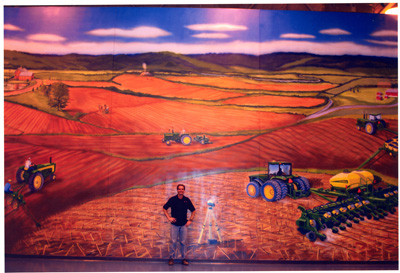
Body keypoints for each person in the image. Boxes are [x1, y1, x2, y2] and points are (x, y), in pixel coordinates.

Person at [163, 184, 196, 266]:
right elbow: (164, 208)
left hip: (184, 225)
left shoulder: (186, 200)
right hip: (174, 225)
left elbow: (193, 210)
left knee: (183, 242)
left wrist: (190, 220)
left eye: (182, 189)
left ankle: (184, 258)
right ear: (177, 190)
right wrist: (169, 218)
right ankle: (171, 258)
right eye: (179, 189)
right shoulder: (173, 199)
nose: (180, 190)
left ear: (184, 190)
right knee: (173, 242)